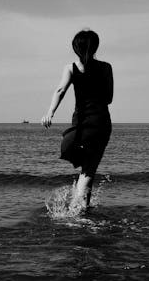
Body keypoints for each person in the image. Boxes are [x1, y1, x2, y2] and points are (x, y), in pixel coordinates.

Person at [41, 29, 113, 210]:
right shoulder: (106, 67)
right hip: (100, 124)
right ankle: (79, 211)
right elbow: (109, 99)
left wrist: (50, 112)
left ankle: (76, 208)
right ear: (96, 46)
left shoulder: (71, 68)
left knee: (85, 169)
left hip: (80, 125)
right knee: (89, 170)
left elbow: (60, 90)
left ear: (75, 48)